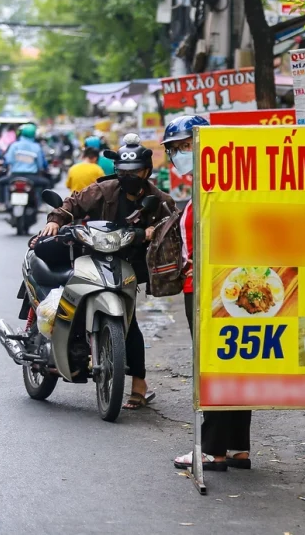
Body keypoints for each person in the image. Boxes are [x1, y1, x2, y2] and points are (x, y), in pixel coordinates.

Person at [35, 133, 176, 410]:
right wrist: (56, 220)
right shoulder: (104, 190)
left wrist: (153, 232)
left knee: (130, 322)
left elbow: (171, 226)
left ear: (146, 171)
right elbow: (72, 203)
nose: (129, 177)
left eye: (135, 172)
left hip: (130, 265)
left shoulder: (158, 199)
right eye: (123, 172)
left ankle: (139, 384)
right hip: (92, 257)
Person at [165, 115, 253, 473]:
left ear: (193, 145)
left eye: (177, 149)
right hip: (228, 286)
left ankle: (213, 450)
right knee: (234, 360)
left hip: (209, 289)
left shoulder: (213, 189)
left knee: (214, 364)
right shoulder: (220, 184)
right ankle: (237, 447)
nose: (174, 157)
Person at [0, 124, 50, 208]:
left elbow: (8, 161)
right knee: (46, 183)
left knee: (0, 182)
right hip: (32, 177)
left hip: (14, 176)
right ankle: (43, 205)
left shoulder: (14, 146)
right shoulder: (37, 147)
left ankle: (2, 203)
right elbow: (40, 165)